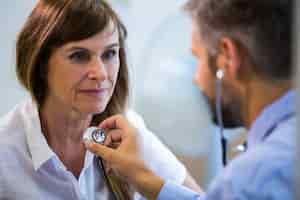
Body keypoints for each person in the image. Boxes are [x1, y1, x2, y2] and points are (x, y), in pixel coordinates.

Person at [85, 0, 297, 199]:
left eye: (198, 58)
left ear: (228, 56)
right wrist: (147, 180)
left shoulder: (249, 181)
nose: (195, 79)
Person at [0, 0, 200, 199]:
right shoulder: (6, 152)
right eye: (79, 56)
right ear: (41, 64)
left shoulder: (129, 132)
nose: (101, 74)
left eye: (110, 53)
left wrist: (141, 177)